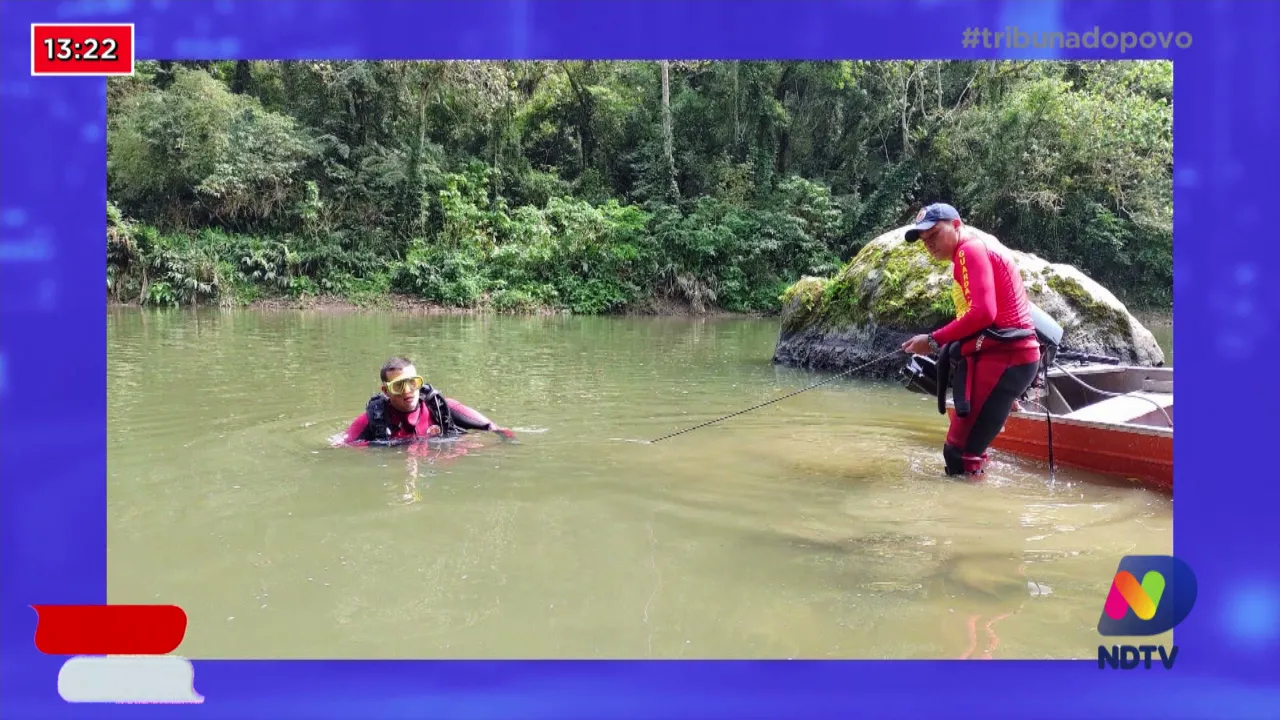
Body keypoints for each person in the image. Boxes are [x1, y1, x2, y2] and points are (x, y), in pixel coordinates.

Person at [899, 203, 1040, 477]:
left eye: (934, 234)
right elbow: (974, 318)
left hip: (1007, 358)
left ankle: (968, 516)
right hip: (1007, 360)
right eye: (924, 240)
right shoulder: (965, 258)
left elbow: (984, 314)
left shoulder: (969, 251)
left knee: (958, 453)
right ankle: (978, 501)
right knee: (968, 451)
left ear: (956, 225)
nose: (929, 244)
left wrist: (932, 339)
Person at [336, 356, 515, 446]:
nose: (408, 392)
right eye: (399, 386)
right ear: (386, 390)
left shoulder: (441, 407)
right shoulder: (372, 420)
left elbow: (494, 428)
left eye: (413, 383)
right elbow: (339, 445)